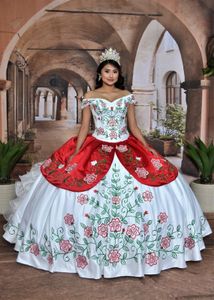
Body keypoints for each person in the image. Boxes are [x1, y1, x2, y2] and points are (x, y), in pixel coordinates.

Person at [3, 48, 212, 279]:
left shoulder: (126, 96)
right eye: (107, 71)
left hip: (126, 145)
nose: (111, 74)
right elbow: (84, 128)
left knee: (154, 180)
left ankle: (144, 249)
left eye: (114, 71)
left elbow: (134, 127)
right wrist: (76, 152)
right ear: (100, 73)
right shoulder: (90, 97)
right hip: (97, 145)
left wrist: (149, 148)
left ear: (118, 74)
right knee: (69, 184)